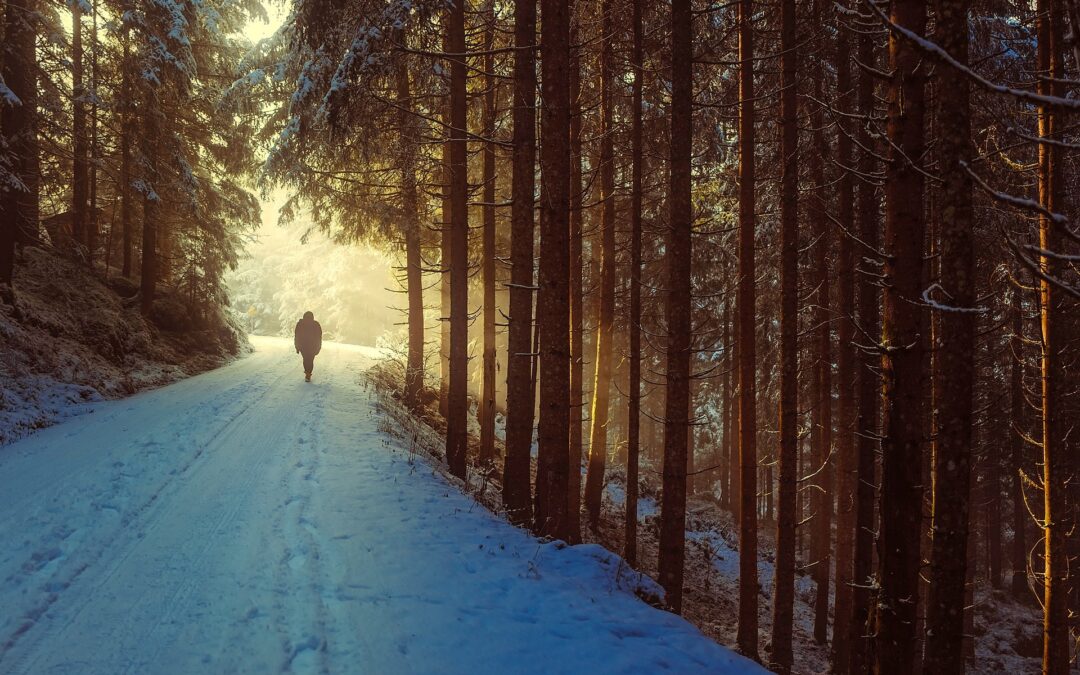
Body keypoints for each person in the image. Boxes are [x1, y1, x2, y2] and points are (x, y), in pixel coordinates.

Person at [294, 311, 322, 382]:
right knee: (310, 360)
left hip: (303, 346)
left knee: (305, 359)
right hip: (313, 346)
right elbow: (319, 337)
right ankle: (308, 374)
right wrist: (318, 347)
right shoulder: (316, 324)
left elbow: (297, 336)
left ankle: (307, 373)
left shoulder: (300, 324)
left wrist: (297, 346)